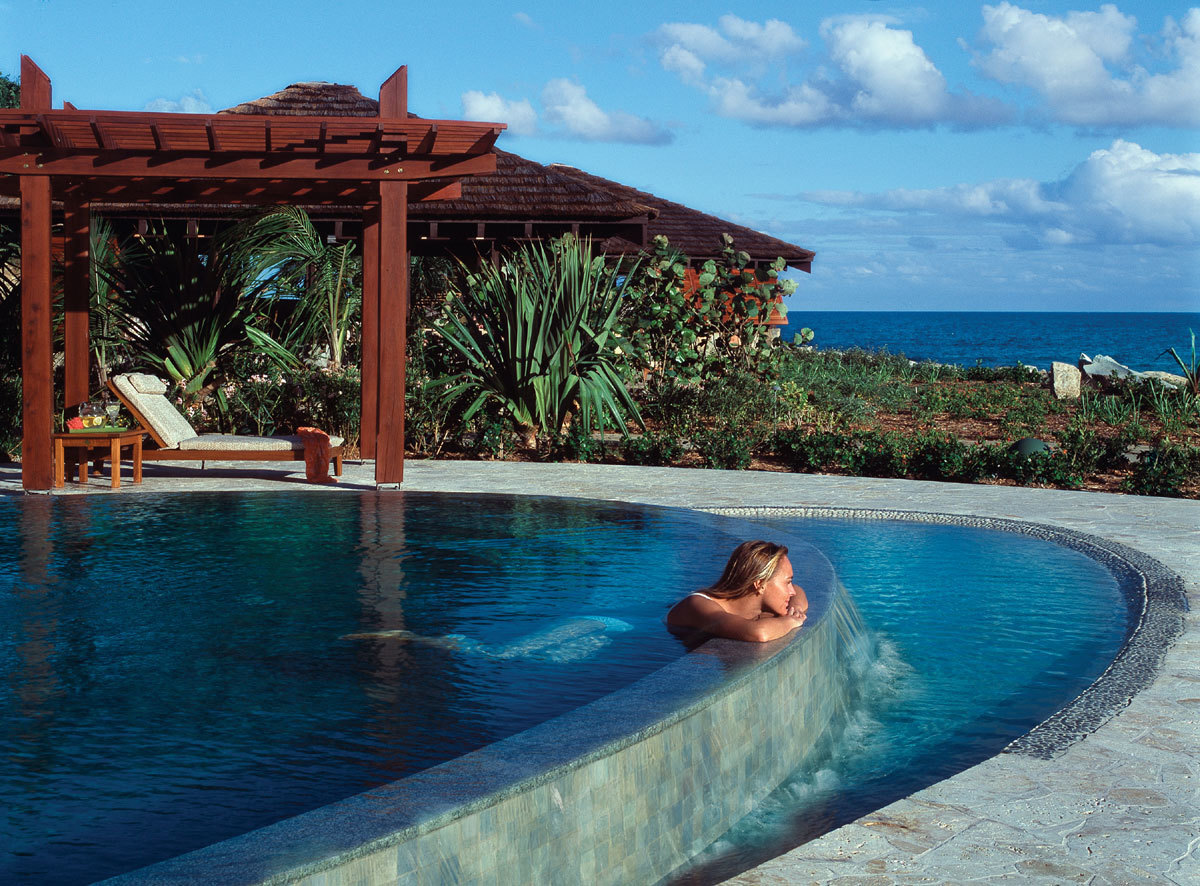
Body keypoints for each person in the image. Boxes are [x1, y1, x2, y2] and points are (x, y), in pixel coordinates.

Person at [666, 540, 808, 642]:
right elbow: (759, 633)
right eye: (787, 582)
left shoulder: (761, 605)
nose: (792, 591)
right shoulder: (698, 604)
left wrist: (796, 609)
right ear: (760, 584)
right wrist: (791, 621)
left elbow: (798, 590)